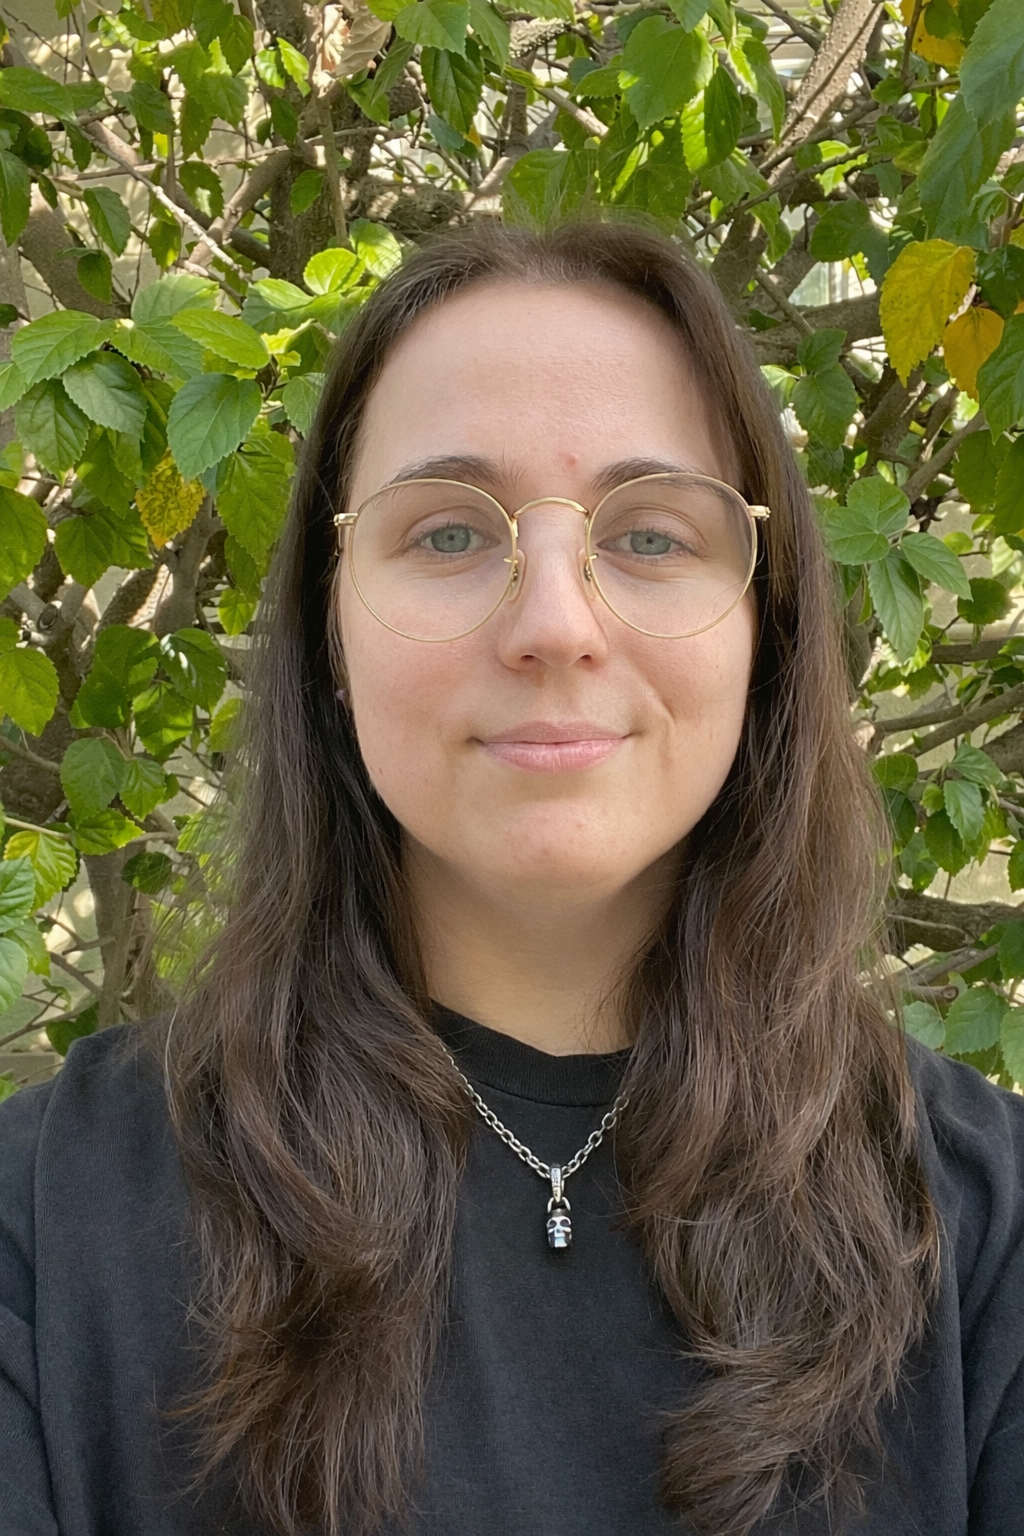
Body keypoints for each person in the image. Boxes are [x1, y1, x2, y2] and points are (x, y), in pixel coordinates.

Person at [0, 221, 1021, 1536]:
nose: (553, 623)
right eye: (446, 534)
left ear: (767, 631)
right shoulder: (40, 1229)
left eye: (651, 535)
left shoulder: (987, 1238)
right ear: (329, 631)